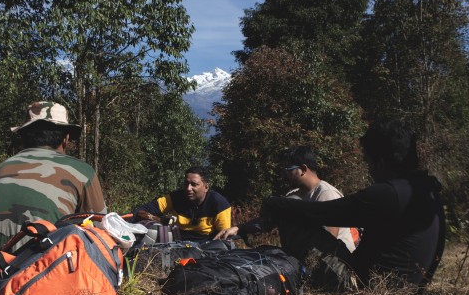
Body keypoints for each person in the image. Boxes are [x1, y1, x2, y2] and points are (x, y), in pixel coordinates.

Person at [254, 120, 445, 286]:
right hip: (408, 286)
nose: (370, 171)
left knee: (292, 215)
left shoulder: (387, 194)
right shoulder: (427, 190)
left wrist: (275, 203)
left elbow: (322, 213)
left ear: (380, 163)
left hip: (360, 284)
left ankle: (295, 273)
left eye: (368, 163)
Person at [0, 101, 107, 252]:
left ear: (24, 136)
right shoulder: (82, 171)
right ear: (65, 139)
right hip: (41, 272)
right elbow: (102, 231)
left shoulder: (1, 168)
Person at [216, 146, 358, 252]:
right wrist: (239, 228)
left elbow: (328, 239)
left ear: (303, 169)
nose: (285, 174)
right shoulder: (294, 195)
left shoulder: (326, 194)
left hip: (333, 263)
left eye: (289, 169)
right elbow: (268, 223)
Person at [133, 166, 231, 241]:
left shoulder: (219, 203)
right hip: (176, 242)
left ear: (206, 187)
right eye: (186, 183)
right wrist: (151, 218)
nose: (188, 188)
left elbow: (223, 237)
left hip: (206, 246)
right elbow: (146, 208)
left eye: (194, 184)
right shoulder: (175, 197)